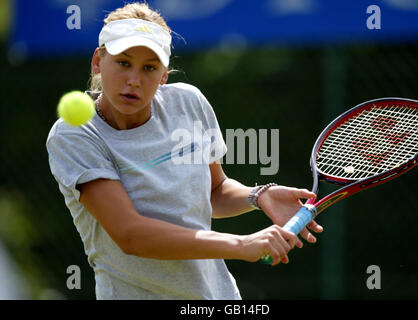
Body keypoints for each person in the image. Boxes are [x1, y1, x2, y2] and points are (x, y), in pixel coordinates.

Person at [46, 2, 323, 300]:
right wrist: (242, 245)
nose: (134, 80)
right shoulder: (75, 135)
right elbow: (131, 235)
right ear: (98, 63)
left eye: (149, 68)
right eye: (124, 63)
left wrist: (258, 195)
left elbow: (215, 191)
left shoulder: (188, 104)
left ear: (164, 75)